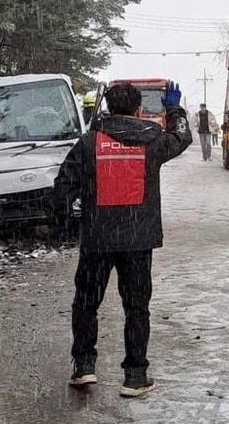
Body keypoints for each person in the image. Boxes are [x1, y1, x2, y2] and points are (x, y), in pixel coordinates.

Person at [55, 80, 192, 396]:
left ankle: (84, 367)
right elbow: (182, 136)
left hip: (97, 239)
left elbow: (63, 187)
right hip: (137, 240)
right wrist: (173, 106)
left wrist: (66, 222)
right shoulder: (152, 142)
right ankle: (135, 376)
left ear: (107, 109)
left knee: (87, 303)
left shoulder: (90, 143)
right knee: (136, 307)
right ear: (138, 109)